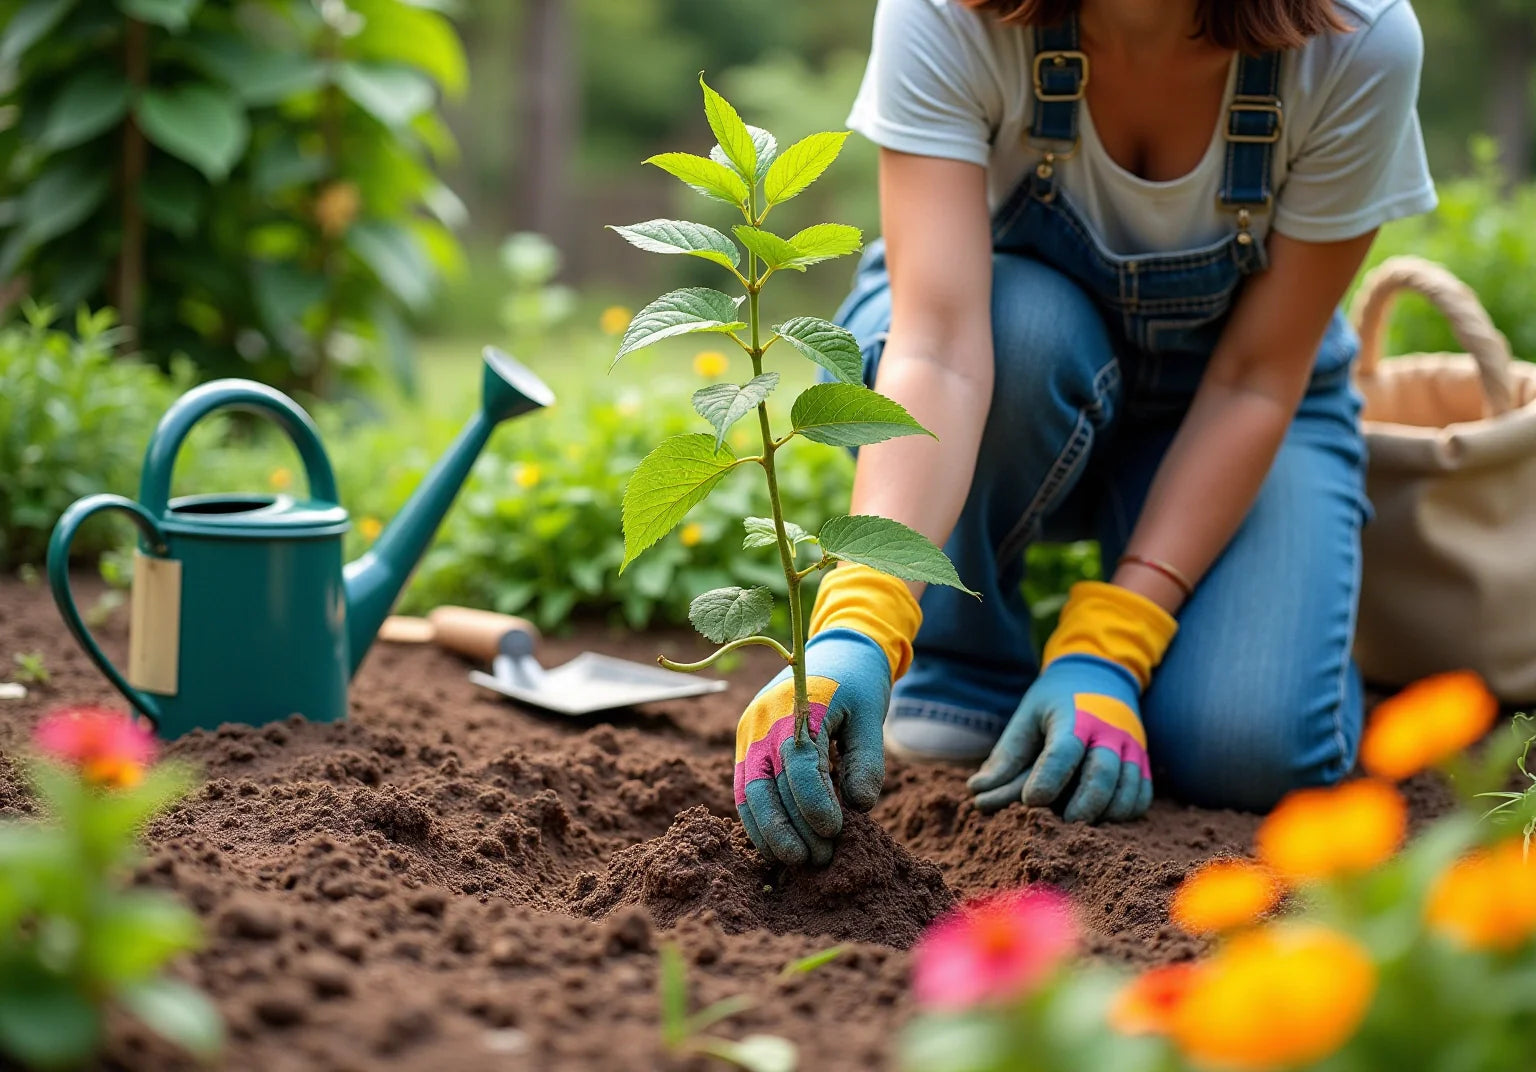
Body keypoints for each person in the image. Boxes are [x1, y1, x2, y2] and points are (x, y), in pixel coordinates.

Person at [732, 0, 1438, 867]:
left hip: (1249, 401)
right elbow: (941, 348)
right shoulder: (947, 13)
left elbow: (1258, 378)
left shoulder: (1356, 41)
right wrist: (861, 615)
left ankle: (1217, 630)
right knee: (1024, 328)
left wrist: (1117, 639)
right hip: (1006, 362)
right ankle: (963, 662)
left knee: (1249, 748)